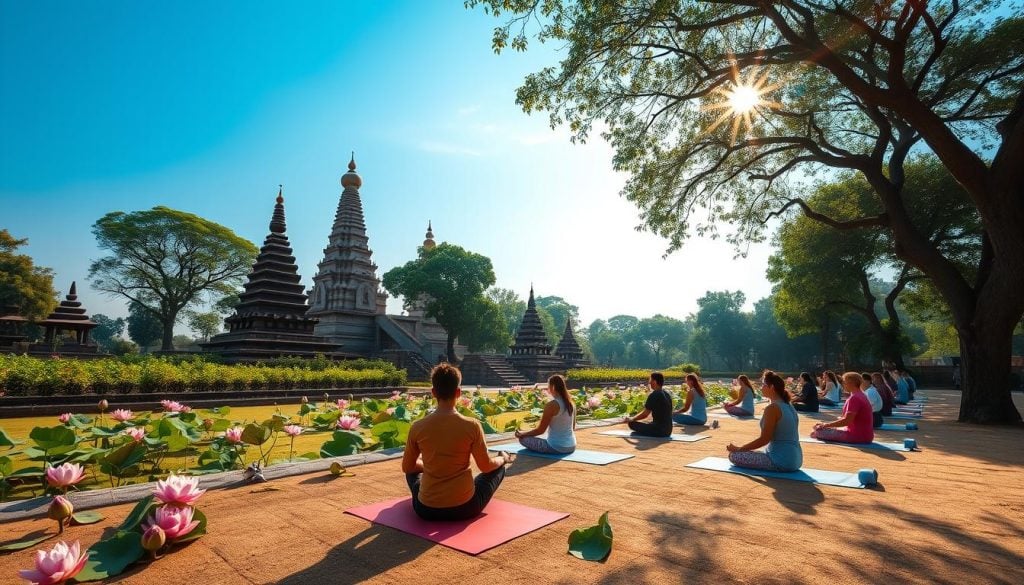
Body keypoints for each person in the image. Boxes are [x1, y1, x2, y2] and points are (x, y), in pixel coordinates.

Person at [402, 363, 514, 521]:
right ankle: (503, 461)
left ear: (433, 393)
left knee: (412, 472)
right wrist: (503, 458)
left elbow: (407, 467)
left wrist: (427, 465)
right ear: (458, 392)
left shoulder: (418, 427)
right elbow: (486, 466)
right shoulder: (472, 425)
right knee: (498, 468)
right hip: (464, 507)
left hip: (425, 509)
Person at [726, 370, 802, 472]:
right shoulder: (788, 405)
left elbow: (764, 439)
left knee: (734, 456)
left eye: (763, 384)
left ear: (772, 387)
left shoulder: (772, 408)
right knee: (750, 452)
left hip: (781, 460)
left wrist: (739, 449)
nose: (761, 387)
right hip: (796, 460)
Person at [514, 374, 576, 454]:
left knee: (523, 439)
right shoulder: (571, 403)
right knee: (539, 436)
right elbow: (572, 427)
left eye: (548, 386)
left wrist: (523, 434)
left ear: (552, 387)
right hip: (571, 446)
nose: (548, 388)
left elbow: (540, 431)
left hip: (556, 447)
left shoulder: (552, 405)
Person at [810, 372, 874, 444]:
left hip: (857, 436)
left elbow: (847, 421)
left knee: (817, 431)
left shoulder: (854, 398)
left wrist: (826, 425)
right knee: (820, 427)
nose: (843, 384)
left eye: (844, 381)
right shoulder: (861, 395)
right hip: (866, 436)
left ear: (851, 383)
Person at [624, 372, 674, 436]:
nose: (649, 383)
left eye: (650, 380)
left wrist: (632, 419)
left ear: (655, 382)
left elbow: (645, 414)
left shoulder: (654, 394)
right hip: (668, 430)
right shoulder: (667, 394)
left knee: (631, 424)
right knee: (647, 423)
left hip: (660, 431)